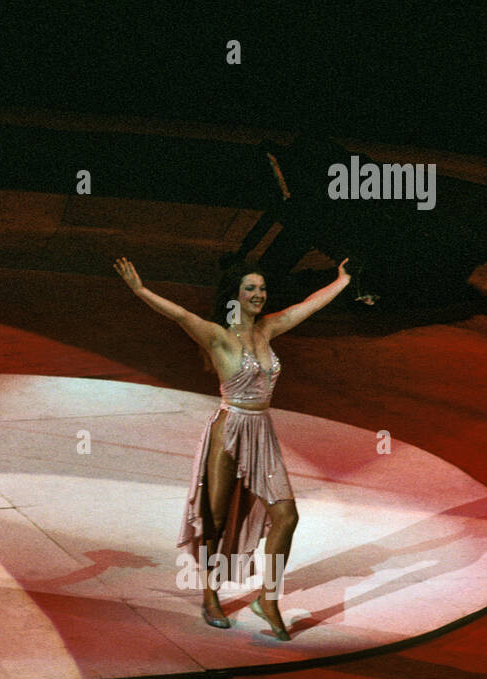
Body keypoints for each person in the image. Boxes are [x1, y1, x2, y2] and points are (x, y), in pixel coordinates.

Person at [115, 256, 350, 639]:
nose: (259, 295)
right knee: (216, 518)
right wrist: (140, 290)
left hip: (262, 433)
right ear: (235, 295)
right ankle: (210, 595)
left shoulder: (268, 328)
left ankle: (268, 599)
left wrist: (341, 281)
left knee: (287, 516)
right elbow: (180, 315)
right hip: (229, 430)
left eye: (261, 288)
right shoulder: (217, 336)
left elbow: (308, 306)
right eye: (250, 289)